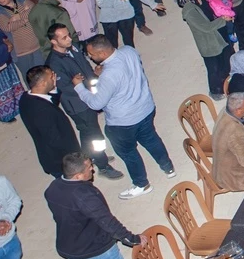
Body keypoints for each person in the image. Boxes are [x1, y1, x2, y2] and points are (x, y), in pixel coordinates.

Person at [72, 36, 174, 200]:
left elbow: (96, 103)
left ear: (103, 52)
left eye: (92, 54)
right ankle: (168, 167)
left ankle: (141, 184)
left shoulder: (109, 75)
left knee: (128, 153)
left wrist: (79, 87)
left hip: (123, 122)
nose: (90, 57)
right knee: (151, 139)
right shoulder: (129, 51)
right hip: (145, 108)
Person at [44, 26, 122, 180]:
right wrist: (85, 89)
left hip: (89, 97)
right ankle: (102, 164)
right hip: (78, 105)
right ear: (53, 41)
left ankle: (90, 156)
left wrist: (95, 76)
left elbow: (84, 67)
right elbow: (65, 88)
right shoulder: (54, 63)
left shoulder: (72, 49)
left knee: (88, 134)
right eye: (64, 37)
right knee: (94, 136)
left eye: (68, 35)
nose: (69, 39)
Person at [19, 65, 86, 178]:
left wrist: (53, 88)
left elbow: (49, 101)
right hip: (61, 162)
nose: (54, 78)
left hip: (53, 157)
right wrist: (75, 159)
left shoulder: (27, 97)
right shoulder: (41, 111)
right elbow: (55, 140)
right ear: (43, 83)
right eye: (51, 77)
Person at [176, 0, 235, 99]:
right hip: (209, 43)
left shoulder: (200, 0)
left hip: (219, 36)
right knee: (214, 68)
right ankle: (215, 91)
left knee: (225, 60)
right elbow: (206, 27)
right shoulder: (189, 10)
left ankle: (227, 84)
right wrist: (223, 19)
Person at [0, 0, 46, 88]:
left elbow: (34, 10)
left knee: (44, 74)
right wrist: (25, 17)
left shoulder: (21, 0)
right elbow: (8, 27)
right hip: (21, 53)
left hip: (37, 46)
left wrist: (18, 16)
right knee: (31, 80)